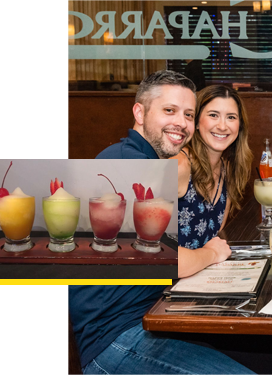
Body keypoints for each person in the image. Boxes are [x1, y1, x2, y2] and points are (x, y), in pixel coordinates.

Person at [70, 71, 255, 374]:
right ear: (140, 112)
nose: (180, 123)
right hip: (118, 336)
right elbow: (170, 261)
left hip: (158, 312)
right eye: (169, 111)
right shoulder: (126, 163)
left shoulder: (148, 162)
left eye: (187, 114)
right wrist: (212, 253)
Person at [175, 85, 253, 277]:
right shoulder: (178, 165)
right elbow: (152, 256)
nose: (222, 126)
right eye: (213, 115)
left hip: (196, 281)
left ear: (240, 126)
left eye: (231, 117)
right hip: (152, 291)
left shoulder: (227, 170)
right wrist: (211, 254)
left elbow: (213, 238)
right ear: (196, 121)